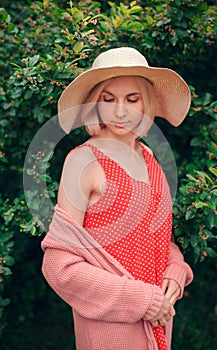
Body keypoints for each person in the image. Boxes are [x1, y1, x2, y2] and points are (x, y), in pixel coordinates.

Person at [41, 47, 193, 350]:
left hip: (159, 319)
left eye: (132, 99)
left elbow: (158, 238)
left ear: (146, 102)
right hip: (110, 330)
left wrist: (175, 273)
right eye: (108, 100)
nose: (120, 111)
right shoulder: (83, 161)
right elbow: (59, 265)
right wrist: (143, 300)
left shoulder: (149, 156)